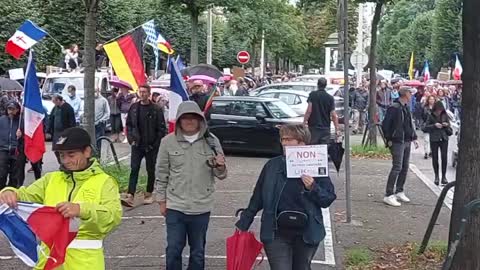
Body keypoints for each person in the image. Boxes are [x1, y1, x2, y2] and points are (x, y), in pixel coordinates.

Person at [0, 127, 122, 269]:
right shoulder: (51, 179)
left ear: (87, 152)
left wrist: (82, 210)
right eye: (62, 155)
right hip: (49, 262)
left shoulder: (105, 182)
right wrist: (9, 192)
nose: (66, 161)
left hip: (84, 263)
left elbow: (113, 216)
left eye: (71, 155)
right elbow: (25, 195)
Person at [236, 124, 336, 270]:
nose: (284, 143)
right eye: (283, 139)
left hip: (306, 232)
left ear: (302, 142)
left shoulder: (316, 164)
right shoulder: (272, 166)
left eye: (289, 139)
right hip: (276, 231)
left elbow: (327, 199)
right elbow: (258, 197)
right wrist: (244, 221)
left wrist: (313, 187)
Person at [156, 101, 227, 270]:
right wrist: (161, 201)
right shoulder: (167, 142)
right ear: (179, 120)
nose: (189, 121)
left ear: (200, 119)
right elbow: (161, 172)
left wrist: (220, 165)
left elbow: (222, 174)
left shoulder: (211, 141)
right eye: (185, 118)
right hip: (175, 206)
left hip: (201, 206)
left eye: (193, 118)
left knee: (198, 251)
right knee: (173, 249)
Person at [122, 84, 166, 207]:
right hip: (137, 144)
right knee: (134, 168)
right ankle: (130, 194)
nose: (142, 94)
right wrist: (131, 138)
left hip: (151, 145)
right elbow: (129, 124)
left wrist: (156, 143)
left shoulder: (156, 109)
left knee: (150, 169)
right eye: (140, 92)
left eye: (145, 92)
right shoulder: (134, 108)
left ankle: (149, 193)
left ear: (149, 93)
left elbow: (161, 128)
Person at [381, 87, 419, 207]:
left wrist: (413, 138)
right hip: (397, 141)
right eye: (410, 93)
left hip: (406, 140)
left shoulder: (405, 107)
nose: (411, 95)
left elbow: (408, 125)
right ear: (405, 94)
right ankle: (388, 194)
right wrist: (389, 139)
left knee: (404, 167)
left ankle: (399, 190)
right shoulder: (394, 107)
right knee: (397, 167)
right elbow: (385, 125)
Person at [303, 78, 340, 144]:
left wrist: (304, 122)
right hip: (325, 127)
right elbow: (333, 115)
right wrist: (337, 129)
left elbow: (309, 110)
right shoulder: (330, 98)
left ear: (317, 84)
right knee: (324, 149)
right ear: (326, 85)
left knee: (313, 148)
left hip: (313, 127)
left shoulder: (312, 95)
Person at [424, 101, 451, 185]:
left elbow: (450, 131)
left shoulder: (445, 115)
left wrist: (446, 126)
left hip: (444, 138)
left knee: (444, 157)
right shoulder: (430, 116)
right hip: (434, 139)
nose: (439, 112)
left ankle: (444, 176)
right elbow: (424, 128)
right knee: (435, 158)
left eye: (440, 110)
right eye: (437, 110)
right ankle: (436, 176)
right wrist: (434, 125)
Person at [0, 102, 22, 189]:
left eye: (13, 109)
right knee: (2, 173)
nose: (11, 111)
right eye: (9, 109)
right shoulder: (2, 120)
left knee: (15, 174)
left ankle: (11, 189)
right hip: (3, 149)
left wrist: (21, 135)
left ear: (17, 110)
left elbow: (28, 137)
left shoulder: (21, 121)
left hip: (16, 149)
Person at [49, 94, 76, 164]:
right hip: (56, 133)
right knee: (56, 149)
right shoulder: (55, 108)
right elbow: (51, 118)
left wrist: (70, 132)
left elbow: (72, 122)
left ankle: (64, 163)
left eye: (54, 101)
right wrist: (48, 130)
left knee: (61, 149)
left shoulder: (68, 108)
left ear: (58, 100)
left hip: (63, 133)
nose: (54, 103)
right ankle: (61, 162)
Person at [94, 88, 110, 154]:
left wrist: (102, 120)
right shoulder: (91, 100)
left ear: (98, 91)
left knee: (98, 140)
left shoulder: (103, 100)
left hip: (99, 124)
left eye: (95, 91)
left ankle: (98, 156)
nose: (94, 93)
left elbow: (107, 112)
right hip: (91, 123)